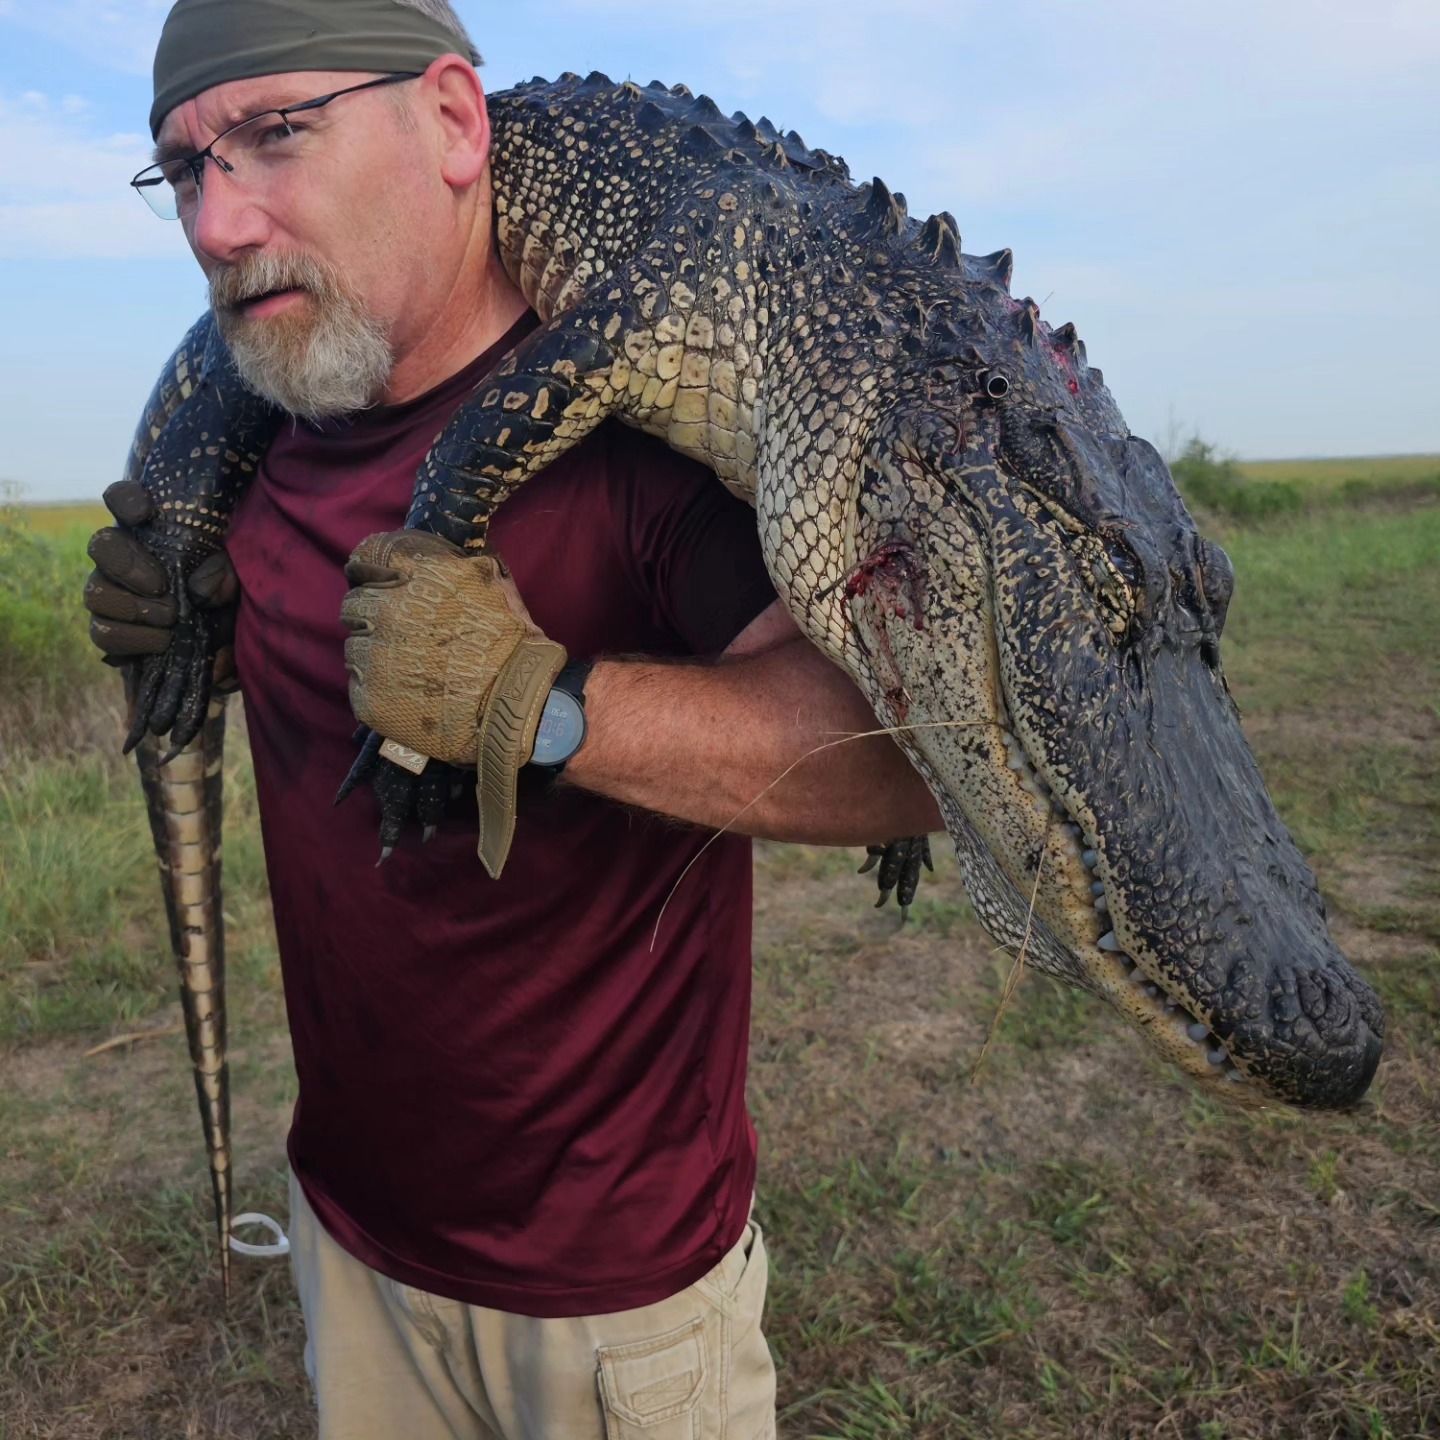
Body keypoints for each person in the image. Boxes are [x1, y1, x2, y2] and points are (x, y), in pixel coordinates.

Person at [84, 2, 942, 1435]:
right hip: (350, 1242)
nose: (222, 223)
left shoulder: (642, 434)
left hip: (617, 1305)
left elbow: (895, 766)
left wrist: (545, 709)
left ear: (456, 125)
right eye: (184, 172)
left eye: (278, 136)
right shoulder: (263, 443)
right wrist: (190, 630)